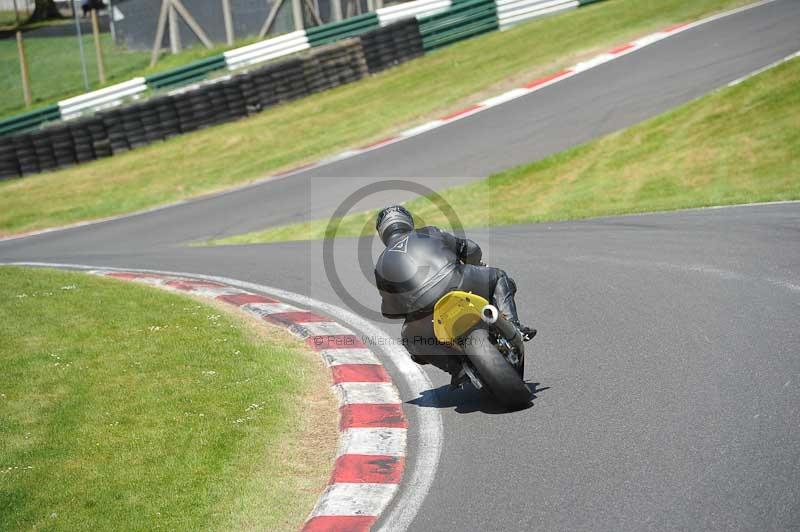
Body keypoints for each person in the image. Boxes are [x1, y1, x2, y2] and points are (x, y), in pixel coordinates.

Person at [373, 205, 535, 377]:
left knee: (410, 338)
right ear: (408, 221)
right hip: (458, 280)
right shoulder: (429, 231)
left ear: (382, 232)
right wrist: (471, 262)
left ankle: (456, 368)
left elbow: (389, 311)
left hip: (423, 307)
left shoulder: (380, 265)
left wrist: (407, 306)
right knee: (499, 277)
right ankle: (515, 326)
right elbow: (471, 249)